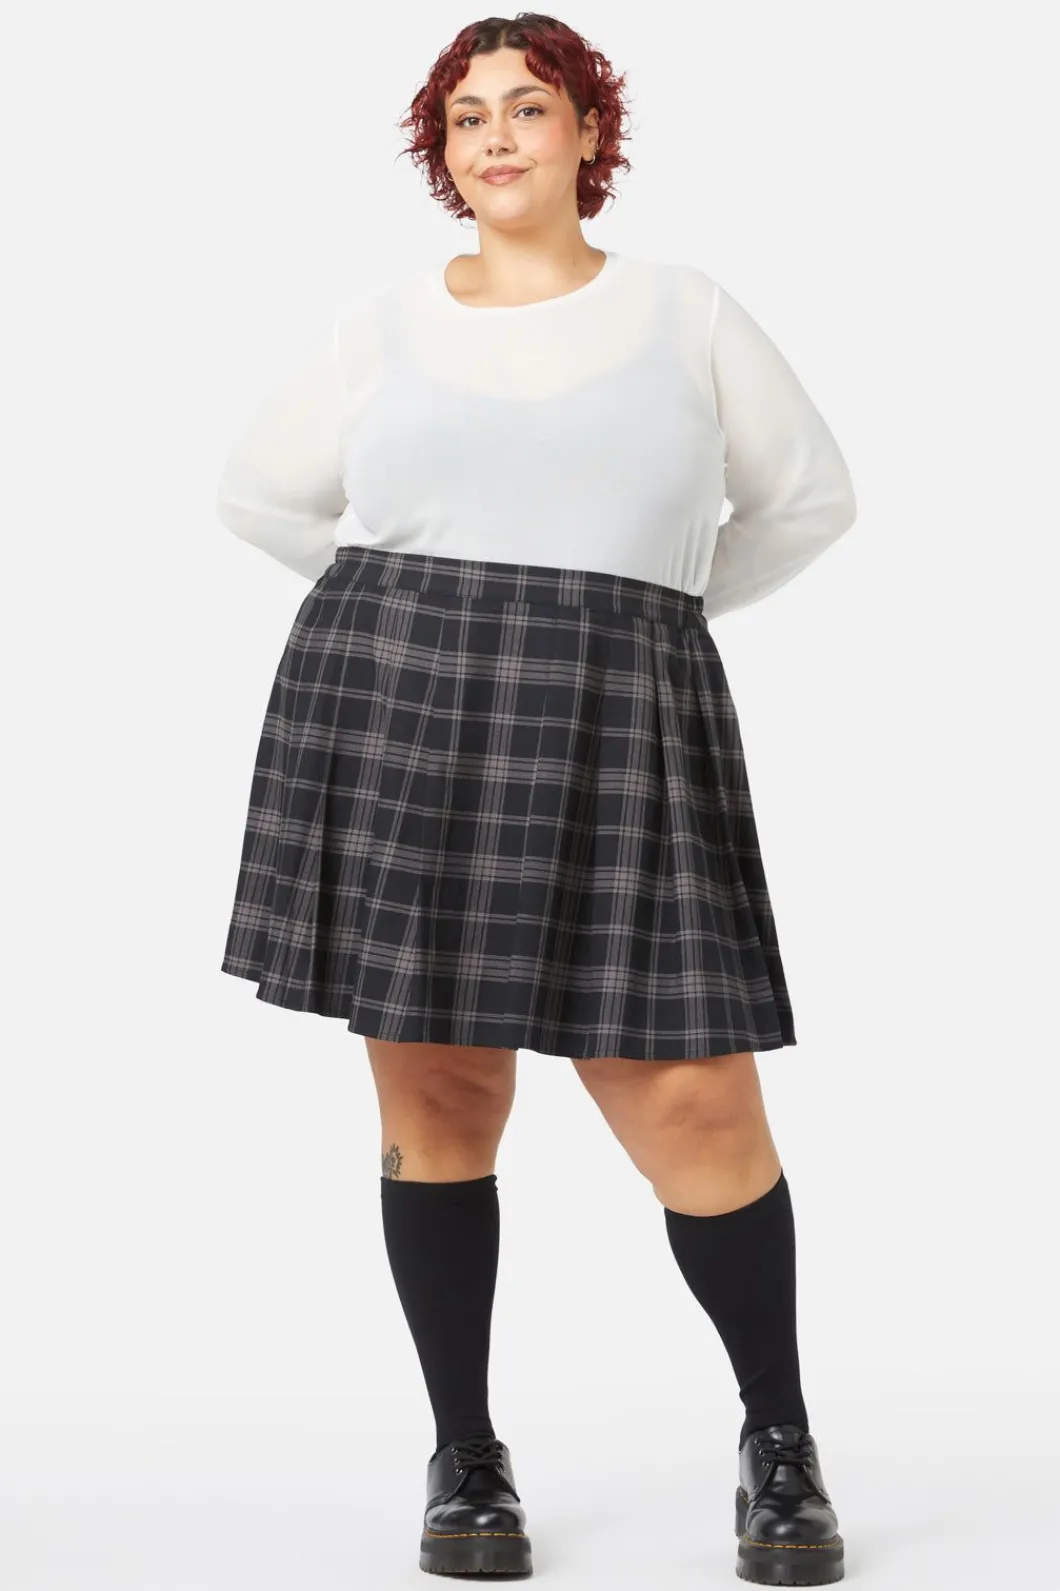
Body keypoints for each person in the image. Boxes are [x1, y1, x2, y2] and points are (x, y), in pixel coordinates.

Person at [215, 12, 856, 1585]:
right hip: (409, 719)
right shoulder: (382, 326)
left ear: (586, 133)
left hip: (620, 712)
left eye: (527, 106)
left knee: (697, 1099)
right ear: (444, 153)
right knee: (440, 1095)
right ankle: (466, 1452)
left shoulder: (688, 311)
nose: (495, 136)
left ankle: (778, 1435)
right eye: (466, 117)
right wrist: (404, 623)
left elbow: (809, 500)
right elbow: (259, 494)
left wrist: (650, 618)